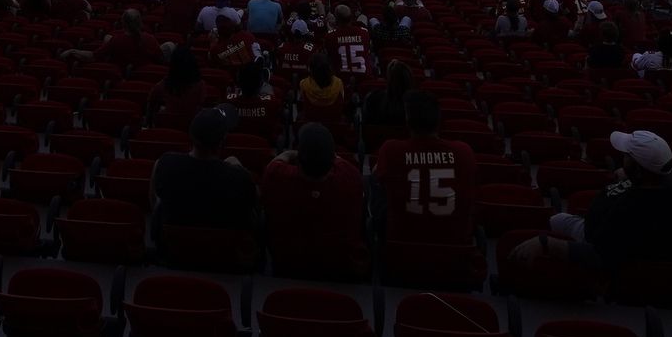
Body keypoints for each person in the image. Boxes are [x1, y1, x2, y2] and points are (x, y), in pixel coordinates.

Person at [511, 130, 672, 279]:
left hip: (630, 270)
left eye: (627, 158)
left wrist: (547, 243)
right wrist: (630, 178)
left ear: (635, 170)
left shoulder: (629, 210)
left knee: (558, 220)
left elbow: (599, 254)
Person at [372, 89, 478, 255]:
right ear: (438, 120)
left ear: (408, 121)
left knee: (374, 179)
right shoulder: (464, 153)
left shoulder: (390, 150)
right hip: (453, 258)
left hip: (401, 255)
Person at [258, 124, 365, 278]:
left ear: (299, 161)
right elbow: (345, 165)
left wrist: (291, 153)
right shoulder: (351, 179)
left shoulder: (276, 176)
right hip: (337, 270)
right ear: (331, 163)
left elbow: (275, 163)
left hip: (287, 267)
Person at [152, 107, 262, 240]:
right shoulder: (239, 178)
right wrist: (238, 167)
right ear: (221, 142)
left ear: (191, 136)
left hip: (174, 249)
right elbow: (256, 202)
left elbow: (154, 200)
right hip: (224, 253)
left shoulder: (164, 163)